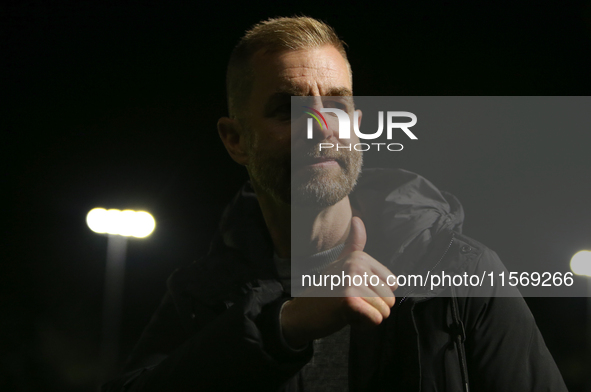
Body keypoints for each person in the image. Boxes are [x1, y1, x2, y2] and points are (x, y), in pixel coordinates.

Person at [102, 16, 567, 392]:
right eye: (286, 108)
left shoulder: (463, 271)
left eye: (338, 106)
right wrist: (284, 326)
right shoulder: (201, 292)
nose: (321, 126)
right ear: (235, 139)